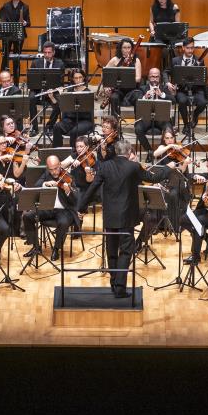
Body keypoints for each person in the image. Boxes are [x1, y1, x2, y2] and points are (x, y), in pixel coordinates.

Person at [76, 132, 143, 299]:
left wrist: (82, 206)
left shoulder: (104, 166)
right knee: (126, 252)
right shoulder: (133, 167)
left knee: (111, 251)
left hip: (110, 216)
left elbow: (92, 189)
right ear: (128, 153)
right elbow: (151, 177)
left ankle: (114, 283)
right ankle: (120, 288)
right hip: (126, 217)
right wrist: (169, 170)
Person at [24, 155, 78, 261]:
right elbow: (36, 186)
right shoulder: (46, 174)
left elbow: (75, 200)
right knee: (27, 216)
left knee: (63, 222)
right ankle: (36, 247)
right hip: (48, 208)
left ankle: (56, 249)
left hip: (64, 210)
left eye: (56, 168)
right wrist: (45, 183)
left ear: (60, 165)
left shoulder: (69, 177)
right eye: (51, 169)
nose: (54, 172)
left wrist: (68, 192)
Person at [131, 67, 175, 155]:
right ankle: (150, 151)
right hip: (145, 118)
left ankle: (162, 152)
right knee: (138, 129)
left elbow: (174, 100)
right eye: (152, 76)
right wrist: (144, 97)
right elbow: (134, 100)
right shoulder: (142, 88)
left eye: (156, 77)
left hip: (161, 118)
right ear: (148, 77)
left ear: (160, 77)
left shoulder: (165, 88)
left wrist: (162, 95)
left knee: (169, 129)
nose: (154, 79)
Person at [170, 38, 208, 139]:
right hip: (182, 90)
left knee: (203, 102)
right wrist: (167, 83)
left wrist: (198, 70)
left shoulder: (199, 60)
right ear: (183, 48)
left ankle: (195, 115)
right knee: (182, 101)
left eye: (192, 48)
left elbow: (203, 78)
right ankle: (187, 124)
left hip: (196, 90)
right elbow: (166, 71)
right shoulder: (175, 60)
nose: (190, 50)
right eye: (188, 48)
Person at [28, 41, 65, 136]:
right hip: (38, 90)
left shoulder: (59, 64)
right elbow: (31, 81)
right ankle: (34, 127)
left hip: (52, 91)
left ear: (54, 53)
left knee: (60, 103)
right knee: (31, 98)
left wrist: (51, 90)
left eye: (49, 52)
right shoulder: (36, 63)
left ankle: (49, 126)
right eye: (45, 53)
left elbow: (60, 82)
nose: (47, 55)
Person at [51, 68, 94, 147]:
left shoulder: (88, 92)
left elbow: (85, 111)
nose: (78, 80)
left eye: (80, 77)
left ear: (84, 78)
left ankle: (73, 154)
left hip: (84, 120)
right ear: (73, 79)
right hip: (71, 120)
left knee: (75, 131)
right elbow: (63, 109)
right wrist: (59, 97)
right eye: (76, 78)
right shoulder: (69, 90)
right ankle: (57, 151)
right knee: (57, 126)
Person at [0, 0, 30, 76]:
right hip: (7, 35)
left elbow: (29, 23)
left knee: (16, 58)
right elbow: (1, 19)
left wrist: (24, 23)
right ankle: (3, 79)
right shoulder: (6, 6)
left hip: (19, 36)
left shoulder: (25, 7)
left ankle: (16, 82)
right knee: (5, 57)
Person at [103, 38, 143, 117]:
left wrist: (124, 80)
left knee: (139, 97)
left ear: (132, 48)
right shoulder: (115, 60)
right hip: (118, 90)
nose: (127, 50)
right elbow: (105, 74)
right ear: (120, 49)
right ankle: (115, 124)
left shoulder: (136, 60)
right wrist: (106, 87)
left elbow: (138, 78)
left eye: (129, 47)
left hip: (132, 90)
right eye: (124, 47)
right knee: (114, 97)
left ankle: (139, 123)